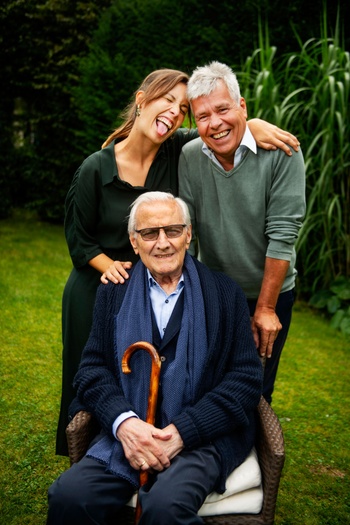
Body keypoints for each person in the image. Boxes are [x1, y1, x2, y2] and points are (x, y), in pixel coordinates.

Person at [56, 66, 300, 455]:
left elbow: (218, 127)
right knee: (95, 368)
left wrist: (251, 125)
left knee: (184, 373)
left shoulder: (175, 151)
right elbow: (77, 236)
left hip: (167, 282)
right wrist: (109, 266)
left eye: (182, 107)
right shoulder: (97, 166)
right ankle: (93, 449)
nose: (176, 112)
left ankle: (192, 449)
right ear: (141, 100)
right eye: (167, 100)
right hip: (103, 283)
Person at [47, 192, 263, 525]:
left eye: (173, 230)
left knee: (164, 509)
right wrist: (125, 424)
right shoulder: (114, 291)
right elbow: (91, 369)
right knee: (70, 497)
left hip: (199, 438)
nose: (162, 242)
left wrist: (183, 432)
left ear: (188, 235)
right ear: (134, 242)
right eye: (149, 233)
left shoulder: (224, 293)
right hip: (128, 435)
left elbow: (245, 379)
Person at [178, 61, 306, 404]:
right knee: (206, 385)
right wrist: (187, 294)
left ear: (243, 106)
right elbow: (187, 234)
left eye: (223, 109)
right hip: (215, 292)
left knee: (256, 390)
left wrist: (265, 308)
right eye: (203, 116)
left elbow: (283, 234)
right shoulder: (189, 156)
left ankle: (252, 455)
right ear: (193, 121)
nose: (215, 123)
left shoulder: (283, 153)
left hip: (270, 293)